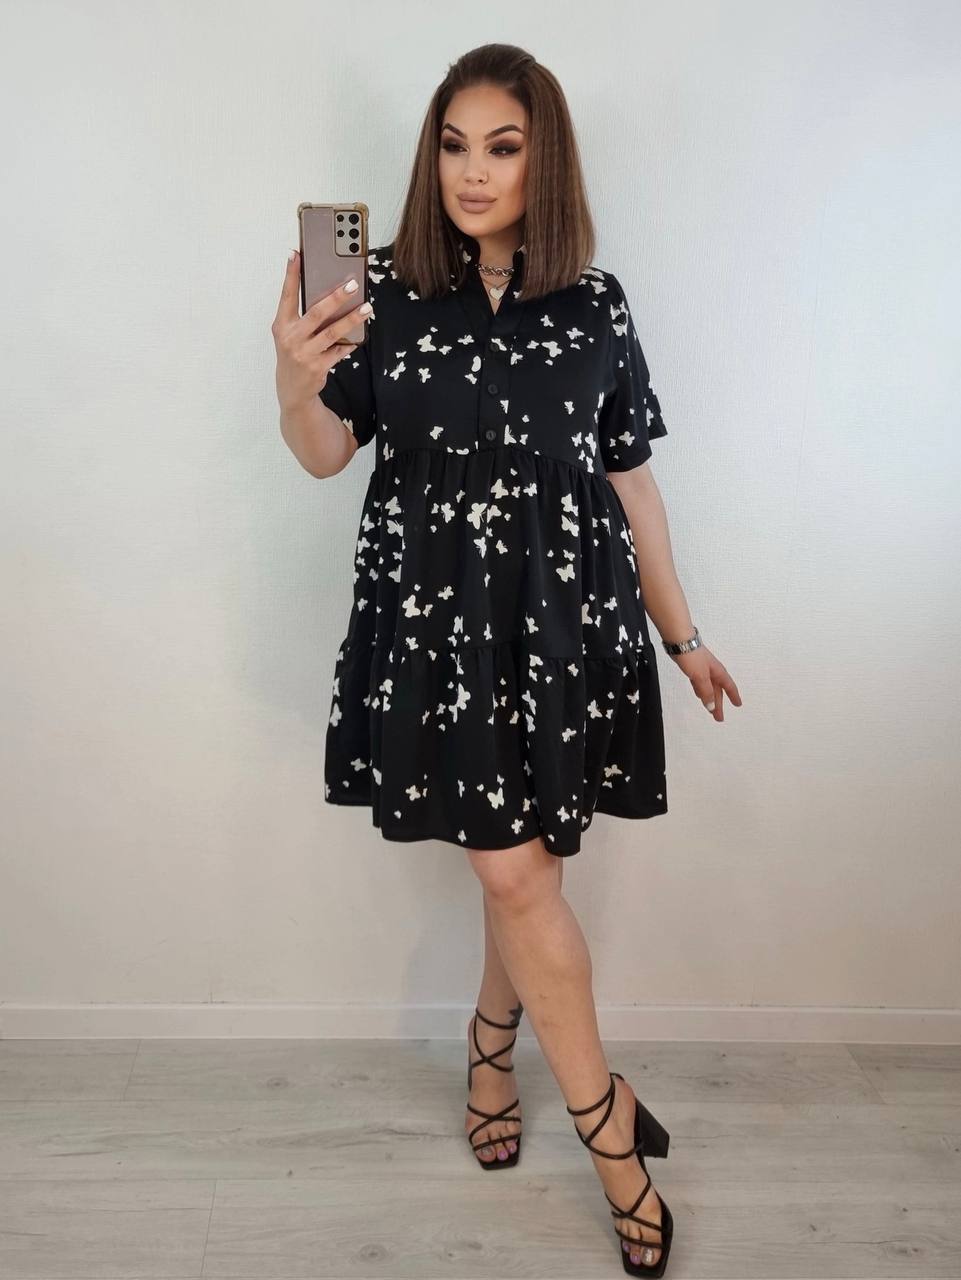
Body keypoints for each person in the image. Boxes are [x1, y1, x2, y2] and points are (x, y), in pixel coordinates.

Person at [273, 42, 741, 1278]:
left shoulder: (596, 303)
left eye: (502, 145)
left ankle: (491, 1048)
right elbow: (323, 453)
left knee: (520, 868)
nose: (471, 171)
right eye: (453, 144)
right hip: (437, 637)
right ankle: (609, 1131)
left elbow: (630, 483)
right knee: (519, 873)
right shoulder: (379, 289)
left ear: (546, 161)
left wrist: (684, 637)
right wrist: (292, 374)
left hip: (565, 633)